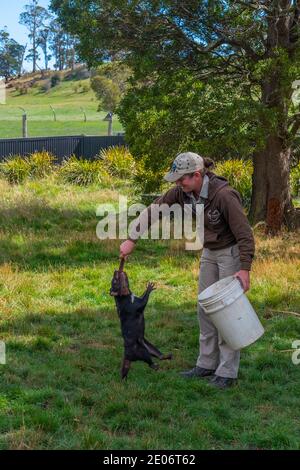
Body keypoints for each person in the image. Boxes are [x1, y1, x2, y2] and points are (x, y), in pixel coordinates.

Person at [120, 152, 255, 389]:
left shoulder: (224, 196)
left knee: (226, 312)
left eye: (181, 179)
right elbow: (154, 210)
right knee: (205, 308)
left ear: (196, 175)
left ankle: (227, 372)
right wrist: (132, 238)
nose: (177, 184)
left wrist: (244, 269)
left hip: (230, 254)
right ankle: (206, 364)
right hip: (210, 252)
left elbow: (245, 234)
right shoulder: (182, 192)